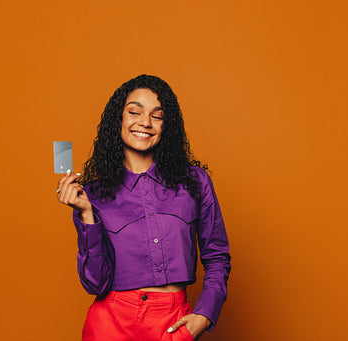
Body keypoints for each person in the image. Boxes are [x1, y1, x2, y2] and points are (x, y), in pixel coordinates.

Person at [57, 74, 231, 340]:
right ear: (119, 119)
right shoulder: (93, 194)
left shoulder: (194, 182)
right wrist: (86, 213)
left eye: (157, 116)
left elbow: (217, 257)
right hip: (110, 324)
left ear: (166, 125)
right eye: (134, 112)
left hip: (172, 323)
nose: (145, 122)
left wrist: (205, 315)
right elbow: (95, 283)